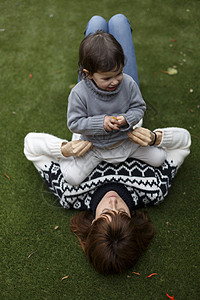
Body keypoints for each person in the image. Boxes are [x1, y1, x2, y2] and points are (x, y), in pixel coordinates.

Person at [24, 14, 191, 275]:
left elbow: (31, 146)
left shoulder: (71, 194)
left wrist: (64, 150)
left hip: (93, 104)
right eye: (122, 214)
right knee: (120, 22)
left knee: (95, 26)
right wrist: (156, 138)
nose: (113, 203)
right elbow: (184, 143)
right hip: (125, 106)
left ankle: (96, 33)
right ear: (132, 223)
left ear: (92, 225)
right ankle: (115, 31)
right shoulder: (153, 190)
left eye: (105, 215)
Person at [66, 15, 166, 186]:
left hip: (125, 139)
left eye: (118, 73)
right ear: (88, 74)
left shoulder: (126, 82)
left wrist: (127, 118)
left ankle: (111, 29)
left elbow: (139, 107)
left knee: (118, 20)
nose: (115, 81)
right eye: (107, 78)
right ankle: (98, 28)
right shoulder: (79, 92)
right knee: (98, 22)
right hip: (95, 145)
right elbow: (74, 123)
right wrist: (100, 123)